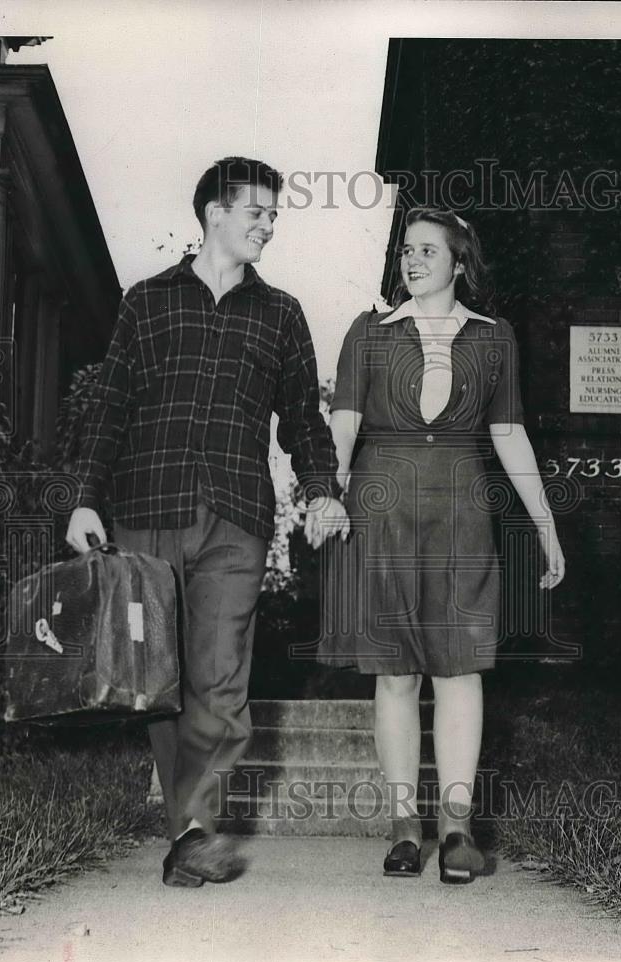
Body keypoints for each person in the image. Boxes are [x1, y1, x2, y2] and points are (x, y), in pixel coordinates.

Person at [66, 156, 347, 887]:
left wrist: (321, 489)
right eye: (256, 211)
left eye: (273, 214)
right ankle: (185, 826)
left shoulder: (280, 312)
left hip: (236, 514)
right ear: (213, 213)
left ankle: (194, 827)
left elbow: (304, 421)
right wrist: (84, 499)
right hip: (145, 508)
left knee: (220, 673)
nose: (268, 224)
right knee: (160, 681)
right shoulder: (146, 302)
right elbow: (111, 410)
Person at [318, 208, 565, 882]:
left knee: (460, 669)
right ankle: (404, 829)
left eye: (429, 250)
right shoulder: (369, 333)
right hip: (381, 510)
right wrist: (325, 496)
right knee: (395, 673)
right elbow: (341, 427)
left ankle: (456, 830)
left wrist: (544, 524)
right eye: (406, 249)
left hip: (462, 510)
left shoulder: (493, 339)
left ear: (460, 264)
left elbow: (509, 434)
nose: (413, 259)